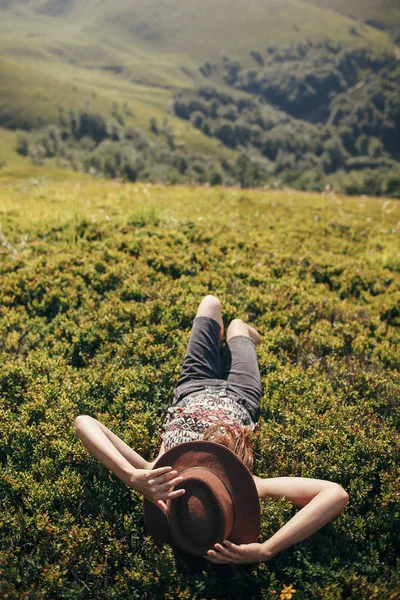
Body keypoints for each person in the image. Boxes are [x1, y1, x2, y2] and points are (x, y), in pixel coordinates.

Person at [75, 295, 349, 564]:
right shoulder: (251, 485)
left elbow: (85, 422)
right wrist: (267, 549)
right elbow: (335, 494)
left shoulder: (159, 474)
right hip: (241, 395)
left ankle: (236, 333)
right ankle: (245, 332)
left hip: (193, 384)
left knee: (211, 303)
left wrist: (131, 476)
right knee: (238, 329)